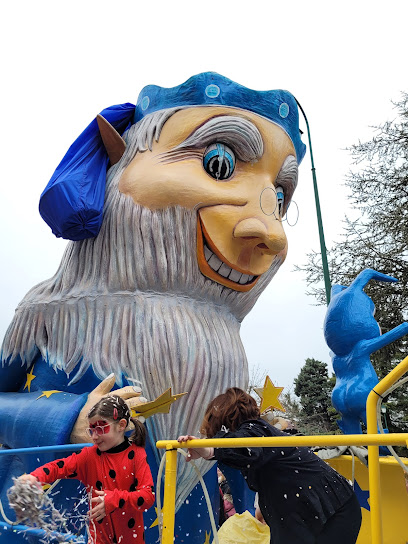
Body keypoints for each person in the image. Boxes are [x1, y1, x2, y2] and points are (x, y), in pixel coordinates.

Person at [178, 387, 362, 544]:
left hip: (331, 513)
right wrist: (264, 507)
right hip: (325, 509)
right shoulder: (263, 434)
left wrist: (209, 450)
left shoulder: (254, 430)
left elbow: (242, 445)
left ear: (224, 423)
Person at [16, 395, 155, 544]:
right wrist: (35, 477)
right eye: (92, 430)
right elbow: (59, 467)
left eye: (101, 428)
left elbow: (147, 497)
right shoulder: (90, 456)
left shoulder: (137, 455)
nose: (94, 436)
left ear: (121, 425)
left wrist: (113, 500)